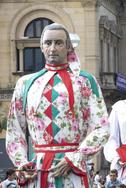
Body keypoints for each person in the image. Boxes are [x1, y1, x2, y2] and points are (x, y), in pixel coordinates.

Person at [6, 23, 110, 188]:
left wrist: (75, 158)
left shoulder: (86, 81)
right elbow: (14, 130)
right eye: (48, 43)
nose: (53, 48)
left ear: (68, 46)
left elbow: (102, 127)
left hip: (73, 171)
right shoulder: (24, 84)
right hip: (37, 173)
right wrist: (22, 163)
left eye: (58, 43)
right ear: (41, 46)